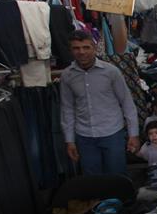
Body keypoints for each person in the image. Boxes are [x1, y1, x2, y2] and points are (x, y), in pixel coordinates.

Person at [60, 30, 139, 175]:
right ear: (71, 50)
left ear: (94, 48)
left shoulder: (111, 72)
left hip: (112, 133)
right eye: (76, 48)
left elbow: (127, 102)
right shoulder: (67, 75)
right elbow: (67, 108)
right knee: (93, 180)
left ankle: (119, 198)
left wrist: (133, 134)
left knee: (117, 176)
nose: (81, 52)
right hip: (84, 137)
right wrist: (69, 140)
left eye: (86, 47)